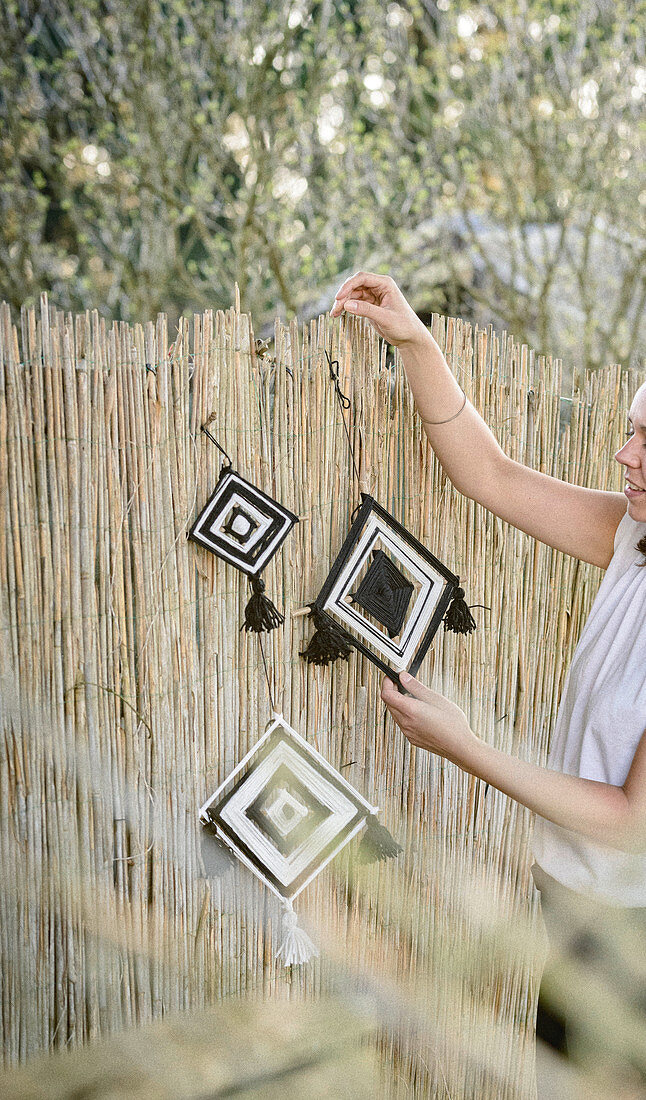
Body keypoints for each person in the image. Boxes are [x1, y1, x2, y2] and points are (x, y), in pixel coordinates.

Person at [331, 272, 646, 1089]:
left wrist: (466, 749)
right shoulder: (632, 542)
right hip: (580, 908)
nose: (624, 454)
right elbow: (492, 476)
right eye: (631, 430)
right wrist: (416, 341)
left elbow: (627, 823)